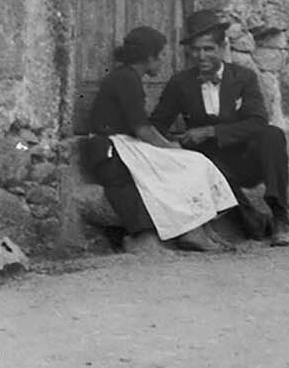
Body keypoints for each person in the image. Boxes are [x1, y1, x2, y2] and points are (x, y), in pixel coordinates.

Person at [150, 9, 289, 248]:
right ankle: (258, 224)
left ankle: (280, 219)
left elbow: (257, 121)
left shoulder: (243, 77)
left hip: (246, 158)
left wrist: (209, 131)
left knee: (272, 135)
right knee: (206, 166)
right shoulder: (180, 83)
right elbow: (158, 124)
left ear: (222, 48)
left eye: (208, 49)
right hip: (210, 165)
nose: (201, 56)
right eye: (195, 50)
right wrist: (170, 142)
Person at [86, 26, 238, 254]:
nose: (163, 61)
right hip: (112, 147)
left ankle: (200, 228)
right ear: (149, 58)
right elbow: (143, 130)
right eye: (161, 56)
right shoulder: (126, 79)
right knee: (188, 162)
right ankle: (191, 231)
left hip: (125, 144)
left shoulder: (129, 78)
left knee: (192, 162)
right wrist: (170, 148)